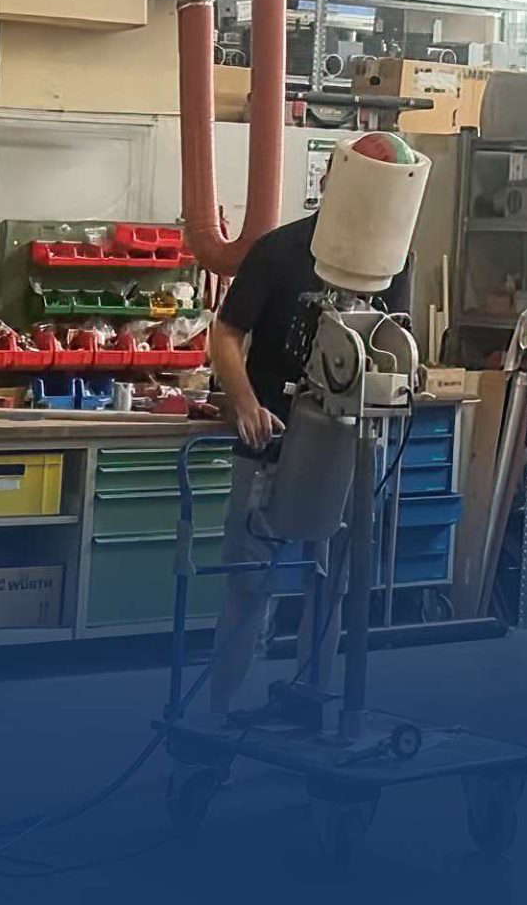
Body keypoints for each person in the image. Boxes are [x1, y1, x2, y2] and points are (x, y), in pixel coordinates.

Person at [207, 188, 412, 718]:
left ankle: (313, 706)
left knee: (332, 590)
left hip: (349, 445)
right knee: (249, 588)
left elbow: (394, 341)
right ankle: (218, 715)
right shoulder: (280, 250)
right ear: (338, 186)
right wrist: (246, 403)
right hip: (270, 443)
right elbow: (226, 332)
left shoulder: (393, 257)